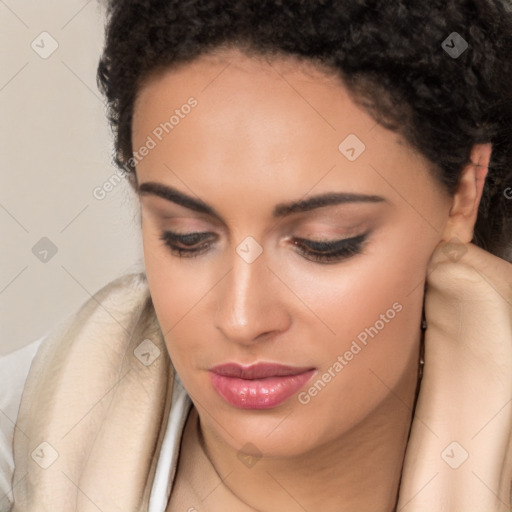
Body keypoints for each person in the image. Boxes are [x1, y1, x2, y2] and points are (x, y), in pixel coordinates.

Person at [2, 0, 512, 510]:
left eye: (323, 242)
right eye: (187, 236)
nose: (241, 319)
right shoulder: (26, 431)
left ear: (464, 192)